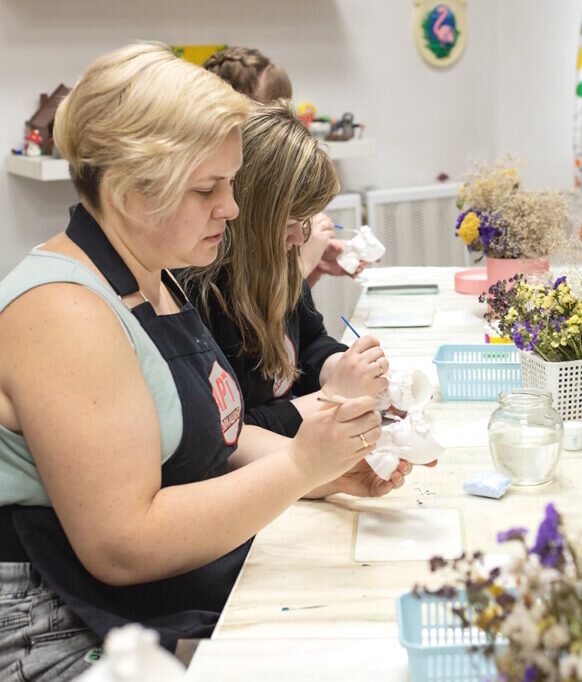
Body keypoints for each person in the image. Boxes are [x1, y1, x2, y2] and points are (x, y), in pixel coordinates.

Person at [0, 43, 404, 678]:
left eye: (232, 183)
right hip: (56, 624)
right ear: (133, 190)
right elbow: (122, 545)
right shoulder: (64, 312)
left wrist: (334, 470)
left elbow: (224, 441)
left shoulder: (158, 280)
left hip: (144, 601)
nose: (233, 209)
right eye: (208, 188)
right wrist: (299, 466)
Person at [182, 103, 393, 438]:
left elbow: (309, 343)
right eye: (290, 223)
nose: (298, 239)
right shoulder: (200, 295)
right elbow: (230, 434)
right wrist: (331, 397)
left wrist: (341, 367)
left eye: (305, 222)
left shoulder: (276, 265)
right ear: (250, 216)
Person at [203, 46, 359, 286]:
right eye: (269, 109)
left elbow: (289, 318)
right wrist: (302, 265)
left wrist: (309, 268)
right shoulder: (216, 246)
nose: (280, 125)